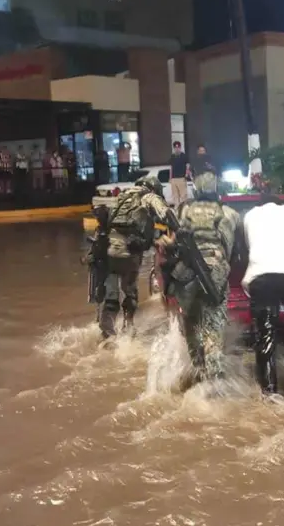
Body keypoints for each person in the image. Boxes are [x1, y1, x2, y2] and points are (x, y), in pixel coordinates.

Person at [159, 173, 241, 384]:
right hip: (215, 273)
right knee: (213, 327)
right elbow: (237, 250)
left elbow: (172, 242)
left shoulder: (183, 210)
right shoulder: (230, 213)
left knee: (191, 323)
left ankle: (198, 371)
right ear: (216, 189)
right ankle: (214, 384)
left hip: (185, 273)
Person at [242, 191, 284, 395]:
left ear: (260, 204)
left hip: (262, 276)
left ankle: (270, 390)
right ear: (280, 204)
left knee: (266, 331)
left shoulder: (250, 215)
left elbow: (247, 246)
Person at [98, 175, 173, 338]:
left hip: (108, 250)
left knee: (111, 296)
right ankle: (128, 328)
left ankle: (107, 336)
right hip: (129, 253)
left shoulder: (122, 196)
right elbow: (166, 214)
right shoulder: (148, 196)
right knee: (130, 292)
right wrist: (179, 229)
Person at [169, 141, 190, 206]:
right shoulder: (172, 156)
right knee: (175, 196)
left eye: (178, 147)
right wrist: (170, 178)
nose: (177, 149)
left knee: (183, 196)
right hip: (174, 179)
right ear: (174, 148)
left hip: (181, 178)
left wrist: (186, 175)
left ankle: (184, 209)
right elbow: (171, 168)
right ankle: (177, 210)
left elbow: (188, 166)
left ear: (180, 148)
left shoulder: (184, 156)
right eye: (175, 147)